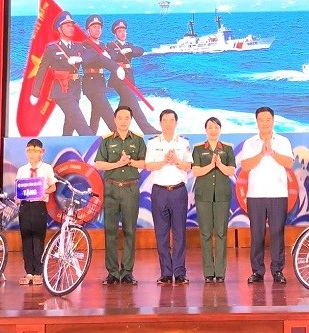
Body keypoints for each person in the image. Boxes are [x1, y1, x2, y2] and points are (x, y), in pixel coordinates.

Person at [33, 11, 125, 136]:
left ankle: (65, 145)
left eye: (72, 25)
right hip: (61, 92)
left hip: (75, 91)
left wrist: (115, 67)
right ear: (59, 29)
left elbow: (94, 56)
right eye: (67, 25)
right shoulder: (52, 48)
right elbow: (42, 70)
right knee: (84, 128)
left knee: (69, 127)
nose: (71, 28)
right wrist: (35, 93)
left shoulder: (78, 47)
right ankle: (96, 147)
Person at [240, 106, 293, 285]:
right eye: (261, 120)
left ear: (273, 120)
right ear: (256, 122)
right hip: (255, 195)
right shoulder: (250, 143)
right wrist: (262, 153)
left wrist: (273, 152)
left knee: (277, 233)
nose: (264, 123)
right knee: (257, 234)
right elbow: (245, 166)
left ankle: (277, 270)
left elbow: (289, 163)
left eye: (268, 119)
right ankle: (257, 271)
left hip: (278, 193)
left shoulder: (283, 141)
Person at [94, 105, 146, 285]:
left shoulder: (138, 140)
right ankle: (112, 272)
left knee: (130, 230)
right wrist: (118, 163)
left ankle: (127, 271)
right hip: (112, 188)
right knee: (110, 231)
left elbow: (144, 163)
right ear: (114, 119)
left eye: (127, 118)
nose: (123, 121)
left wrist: (129, 161)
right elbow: (99, 164)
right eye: (120, 118)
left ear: (131, 119)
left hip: (131, 189)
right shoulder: (107, 140)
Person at [145, 109, 192, 285]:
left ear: (176, 122)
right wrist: (164, 161)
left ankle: (179, 272)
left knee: (179, 233)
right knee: (161, 234)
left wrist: (176, 160)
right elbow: (149, 166)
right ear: (160, 123)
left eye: (171, 120)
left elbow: (188, 166)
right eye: (165, 120)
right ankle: (165, 272)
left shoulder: (183, 142)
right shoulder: (153, 143)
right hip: (159, 192)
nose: (168, 124)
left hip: (178, 191)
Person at [191, 117, 236, 283]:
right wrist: (211, 165)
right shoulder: (198, 149)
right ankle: (209, 272)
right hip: (204, 195)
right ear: (205, 130)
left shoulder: (227, 149)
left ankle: (220, 272)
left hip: (222, 195)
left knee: (221, 233)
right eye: (210, 127)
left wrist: (220, 165)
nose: (213, 130)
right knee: (205, 233)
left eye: (216, 127)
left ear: (220, 129)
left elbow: (231, 171)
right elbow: (196, 171)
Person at [15, 138, 56, 286]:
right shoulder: (22, 170)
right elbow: (19, 188)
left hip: (39, 206)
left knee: (38, 239)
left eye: (35, 151)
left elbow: (53, 187)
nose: (32, 155)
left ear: (41, 152)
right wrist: (17, 197)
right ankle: (29, 272)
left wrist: (43, 192)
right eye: (29, 151)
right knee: (26, 238)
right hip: (25, 206)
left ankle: (38, 272)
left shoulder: (46, 168)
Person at [107, 19, 158, 135]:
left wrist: (130, 50)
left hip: (129, 77)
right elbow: (110, 56)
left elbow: (141, 51)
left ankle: (115, 129)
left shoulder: (129, 45)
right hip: (118, 78)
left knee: (124, 105)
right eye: (119, 31)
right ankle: (147, 130)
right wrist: (119, 53)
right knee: (133, 103)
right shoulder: (111, 45)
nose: (122, 33)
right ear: (115, 34)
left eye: (124, 31)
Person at [81, 14, 117, 134]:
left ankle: (90, 139)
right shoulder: (85, 45)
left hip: (100, 84)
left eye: (99, 27)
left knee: (96, 116)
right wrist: (101, 55)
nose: (97, 29)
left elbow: (113, 55)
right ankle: (122, 138)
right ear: (88, 30)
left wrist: (108, 54)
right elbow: (87, 59)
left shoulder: (102, 45)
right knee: (108, 114)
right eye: (94, 27)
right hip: (91, 85)